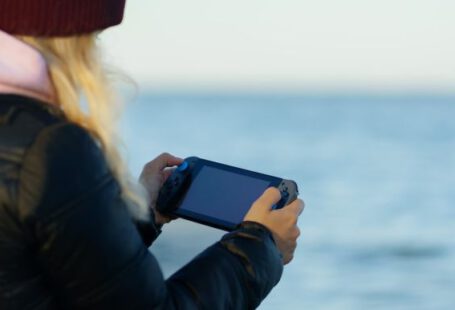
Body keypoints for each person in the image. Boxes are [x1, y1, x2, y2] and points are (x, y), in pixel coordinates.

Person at [0, 1, 304, 309]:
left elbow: (44, 272)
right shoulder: (50, 146)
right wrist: (260, 246)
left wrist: (133, 214)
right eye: (97, 37)